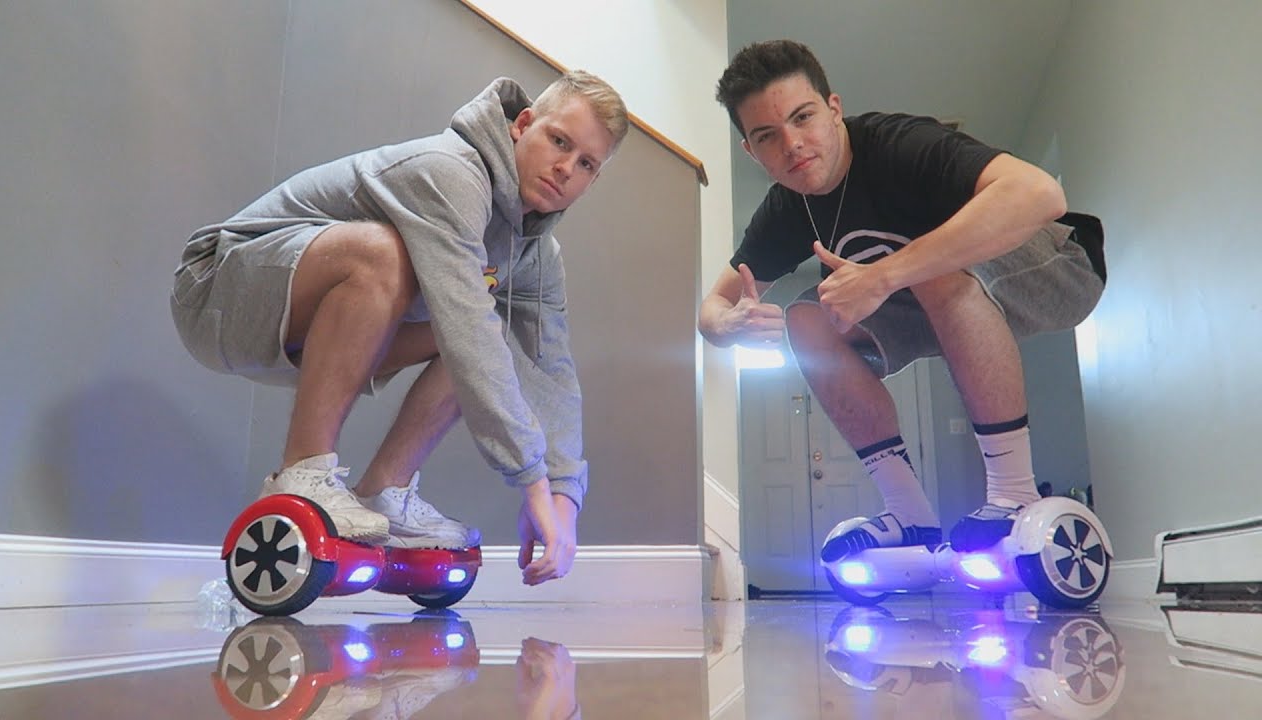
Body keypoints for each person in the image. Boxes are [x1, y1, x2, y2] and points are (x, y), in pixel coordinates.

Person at [171, 71, 629, 585]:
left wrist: (564, 496)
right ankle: (303, 471)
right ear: (523, 125)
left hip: (297, 328)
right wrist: (531, 479)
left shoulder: (537, 255)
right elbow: (467, 327)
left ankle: (384, 493)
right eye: (559, 141)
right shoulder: (453, 173)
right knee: (393, 263)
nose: (565, 168)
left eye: (586, 163)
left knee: (491, 334)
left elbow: (550, 367)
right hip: (218, 289)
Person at [698, 40, 1105, 561]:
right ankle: (909, 516)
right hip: (943, 299)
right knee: (807, 319)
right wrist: (728, 326)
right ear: (750, 151)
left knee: (930, 266)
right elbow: (713, 306)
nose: (792, 144)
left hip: (1061, 269)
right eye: (767, 136)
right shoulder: (786, 208)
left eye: (803, 117)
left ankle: (1014, 493)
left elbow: (1040, 194)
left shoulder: (899, 144)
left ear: (834, 109)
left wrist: (883, 276)